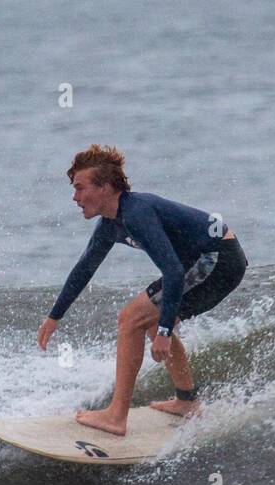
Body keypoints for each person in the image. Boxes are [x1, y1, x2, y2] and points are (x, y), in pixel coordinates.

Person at [37, 144, 247, 436]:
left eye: (80, 188)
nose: (74, 197)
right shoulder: (110, 224)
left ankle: (116, 416)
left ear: (106, 187)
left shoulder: (137, 213)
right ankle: (187, 402)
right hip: (205, 259)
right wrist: (54, 316)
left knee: (131, 318)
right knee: (147, 318)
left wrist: (163, 333)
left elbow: (172, 271)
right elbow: (84, 269)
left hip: (217, 258)